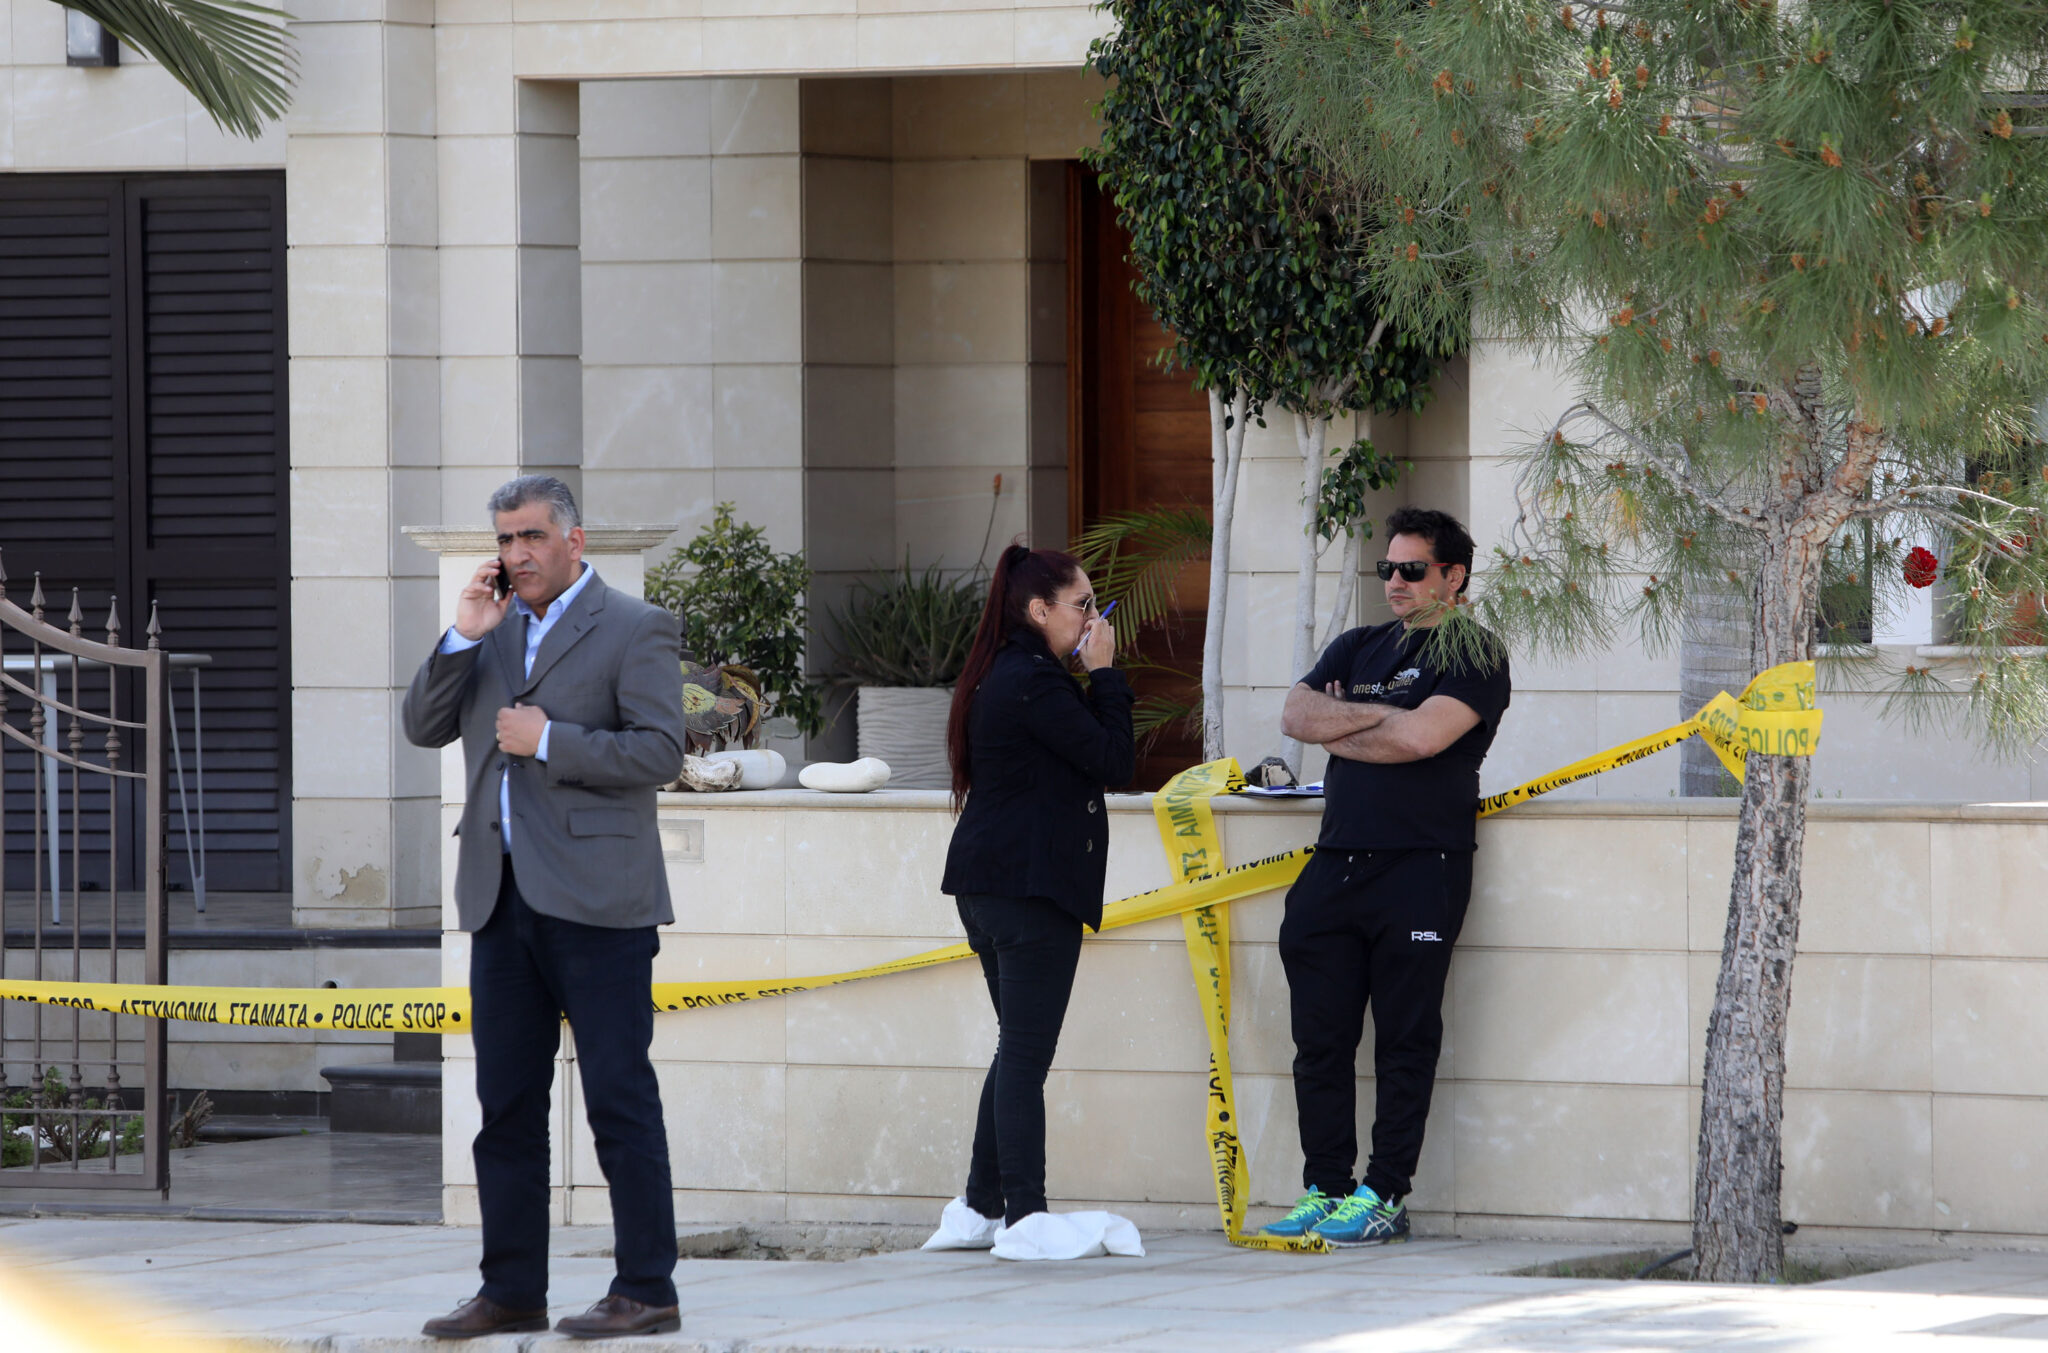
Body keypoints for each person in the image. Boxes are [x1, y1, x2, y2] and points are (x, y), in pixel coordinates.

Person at [404, 475, 688, 1339]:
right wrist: (462, 633)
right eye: (505, 539)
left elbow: (661, 751)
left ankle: (646, 1287)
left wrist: (551, 740)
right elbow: (422, 724)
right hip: (500, 897)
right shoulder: (488, 629)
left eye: (531, 536)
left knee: (618, 1099)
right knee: (507, 1106)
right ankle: (511, 1288)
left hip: (600, 901)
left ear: (574, 539)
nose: (516, 553)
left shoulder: (634, 625)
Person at [1260, 507, 1511, 1246]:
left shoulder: (1475, 652)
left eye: (1411, 569)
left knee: (1405, 1039)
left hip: (1421, 866)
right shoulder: (1359, 643)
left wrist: (1348, 715)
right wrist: (1381, 718)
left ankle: (1385, 1194)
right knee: (1320, 1041)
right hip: (1335, 864)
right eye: (1387, 568)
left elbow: (1424, 737)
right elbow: (1296, 715)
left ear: (1453, 576)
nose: (1394, 582)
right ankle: (1326, 1187)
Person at [924, 543, 1134, 1250]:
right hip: (1027, 891)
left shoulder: (1006, 672)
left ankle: (982, 1204)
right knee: (1024, 1054)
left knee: (1014, 1046)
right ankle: (1024, 1214)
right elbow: (1114, 759)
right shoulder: (1034, 682)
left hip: (992, 886)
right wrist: (1104, 673)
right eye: (1083, 604)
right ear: (1039, 610)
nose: (1093, 617)